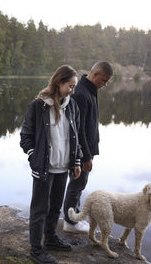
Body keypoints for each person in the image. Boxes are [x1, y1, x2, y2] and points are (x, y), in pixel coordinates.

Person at [20, 65, 83, 264]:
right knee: (40, 209)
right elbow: (25, 136)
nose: (73, 90)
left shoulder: (72, 106)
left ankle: (51, 239)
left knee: (55, 206)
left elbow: (76, 137)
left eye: (75, 86)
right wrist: (34, 157)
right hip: (43, 168)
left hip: (63, 167)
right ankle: (36, 249)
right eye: (70, 86)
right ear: (59, 82)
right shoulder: (38, 106)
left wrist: (77, 160)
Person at [63, 61, 113, 233]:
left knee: (79, 184)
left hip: (86, 149)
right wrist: (85, 156)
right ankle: (70, 222)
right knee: (77, 183)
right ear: (96, 74)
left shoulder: (89, 91)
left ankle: (74, 216)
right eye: (104, 80)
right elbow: (78, 128)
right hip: (81, 151)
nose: (104, 85)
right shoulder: (82, 93)